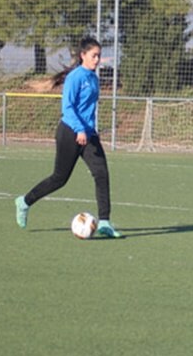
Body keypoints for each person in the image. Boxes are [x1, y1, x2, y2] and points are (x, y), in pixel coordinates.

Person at [15, 37, 122, 238]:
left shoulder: (93, 78)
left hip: (88, 135)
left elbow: (89, 109)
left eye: (99, 56)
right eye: (94, 56)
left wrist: (89, 130)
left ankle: (105, 223)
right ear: (83, 56)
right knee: (59, 178)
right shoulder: (75, 77)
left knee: (102, 174)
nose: (97, 60)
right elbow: (68, 108)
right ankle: (24, 202)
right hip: (69, 132)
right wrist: (79, 129)